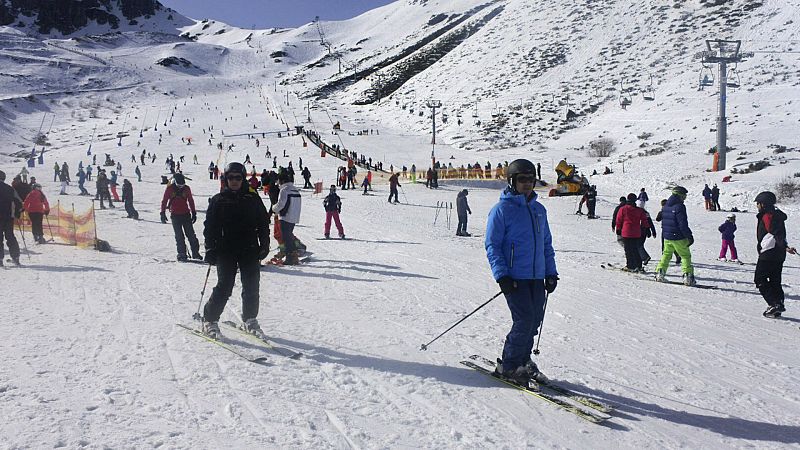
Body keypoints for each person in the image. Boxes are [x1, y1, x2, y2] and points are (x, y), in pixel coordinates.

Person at [485, 159, 558, 388]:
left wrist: (551, 272)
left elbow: (546, 244)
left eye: (531, 180)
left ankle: (523, 360)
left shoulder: (539, 210)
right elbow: (492, 245)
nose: (527, 184)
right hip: (514, 278)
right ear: (512, 181)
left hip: (537, 277)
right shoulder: (501, 210)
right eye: (522, 180)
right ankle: (509, 365)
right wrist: (502, 275)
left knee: (534, 320)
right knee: (524, 320)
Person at [202, 162, 271, 339]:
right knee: (225, 285)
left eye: (238, 178)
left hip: (249, 248)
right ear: (225, 179)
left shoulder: (252, 198)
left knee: (251, 285)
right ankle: (210, 320)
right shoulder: (218, 200)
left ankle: (250, 319)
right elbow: (210, 227)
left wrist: (264, 243)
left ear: (243, 179)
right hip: (226, 249)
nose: (234, 181)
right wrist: (210, 248)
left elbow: (263, 222)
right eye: (230, 177)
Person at [753, 191, 797, 318]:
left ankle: (774, 304)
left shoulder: (768, 215)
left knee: (759, 279)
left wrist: (785, 246)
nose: (757, 206)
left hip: (769, 252)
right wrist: (785, 247)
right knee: (775, 280)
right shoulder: (776, 215)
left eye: (758, 203)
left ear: (764, 204)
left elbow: (775, 233)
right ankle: (778, 304)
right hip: (778, 253)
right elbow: (780, 234)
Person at [654, 186, 695, 286]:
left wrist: (665, 234)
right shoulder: (680, 206)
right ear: (680, 195)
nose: (685, 198)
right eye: (684, 196)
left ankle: (660, 273)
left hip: (667, 236)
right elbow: (682, 224)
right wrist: (689, 236)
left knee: (666, 254)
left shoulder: (666, 206)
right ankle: (688, 276)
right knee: (685, 256)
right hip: (678, 237)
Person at [160, 173, 201, 261]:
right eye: (179, 185)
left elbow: (190, 200)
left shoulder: (186, 189)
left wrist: (193, 212)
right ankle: (182, 254)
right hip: (175, 216)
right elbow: (164, 201)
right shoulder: (170, 189)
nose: (181, 187)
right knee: (179, 236)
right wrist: (162, 213)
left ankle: (195, 253)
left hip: (186, 214)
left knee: (191, 235)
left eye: (182, 185)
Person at [272, 171, 302, 265]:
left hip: (285, 217)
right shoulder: (295, 189)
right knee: (288, 236)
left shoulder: (284, 190)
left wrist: (274, 208)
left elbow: (281, 204)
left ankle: (290, 257)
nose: (278, 184)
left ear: (282, 181)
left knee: (286, 237)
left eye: (279, 181)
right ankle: (294, 255)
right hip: (294, 216)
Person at [616, 193, 648, 272]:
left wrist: (618, 229)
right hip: (636, 232)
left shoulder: (623, 209)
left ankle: (630, 266)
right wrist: (646, 228)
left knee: (628, 250)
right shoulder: (639, 210)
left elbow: (619, 220)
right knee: (635, 249)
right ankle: (639, 265)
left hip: (626, 232)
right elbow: (644, 220)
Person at [0, 170, 22, 266]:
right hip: (8, 217)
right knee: (10, 236)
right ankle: (15, 257)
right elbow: (19, 202)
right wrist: (17, 214)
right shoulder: (10, 188)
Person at [655, 198, 681, 265]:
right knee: (673, 243)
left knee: (665, 244)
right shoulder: (673, 210)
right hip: (673, 230)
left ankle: (665, 257)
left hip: (665, 230)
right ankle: (677, 255)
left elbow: (657, 219)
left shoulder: (662, 211)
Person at [637, 200, 656, 265]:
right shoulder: (646, 213)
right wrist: (653, 231)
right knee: (640, 245)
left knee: (639, 245)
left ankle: (645, 257)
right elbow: (650, 222)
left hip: (639, 231)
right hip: (645, 231)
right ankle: (641, 257)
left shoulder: (637, 212)